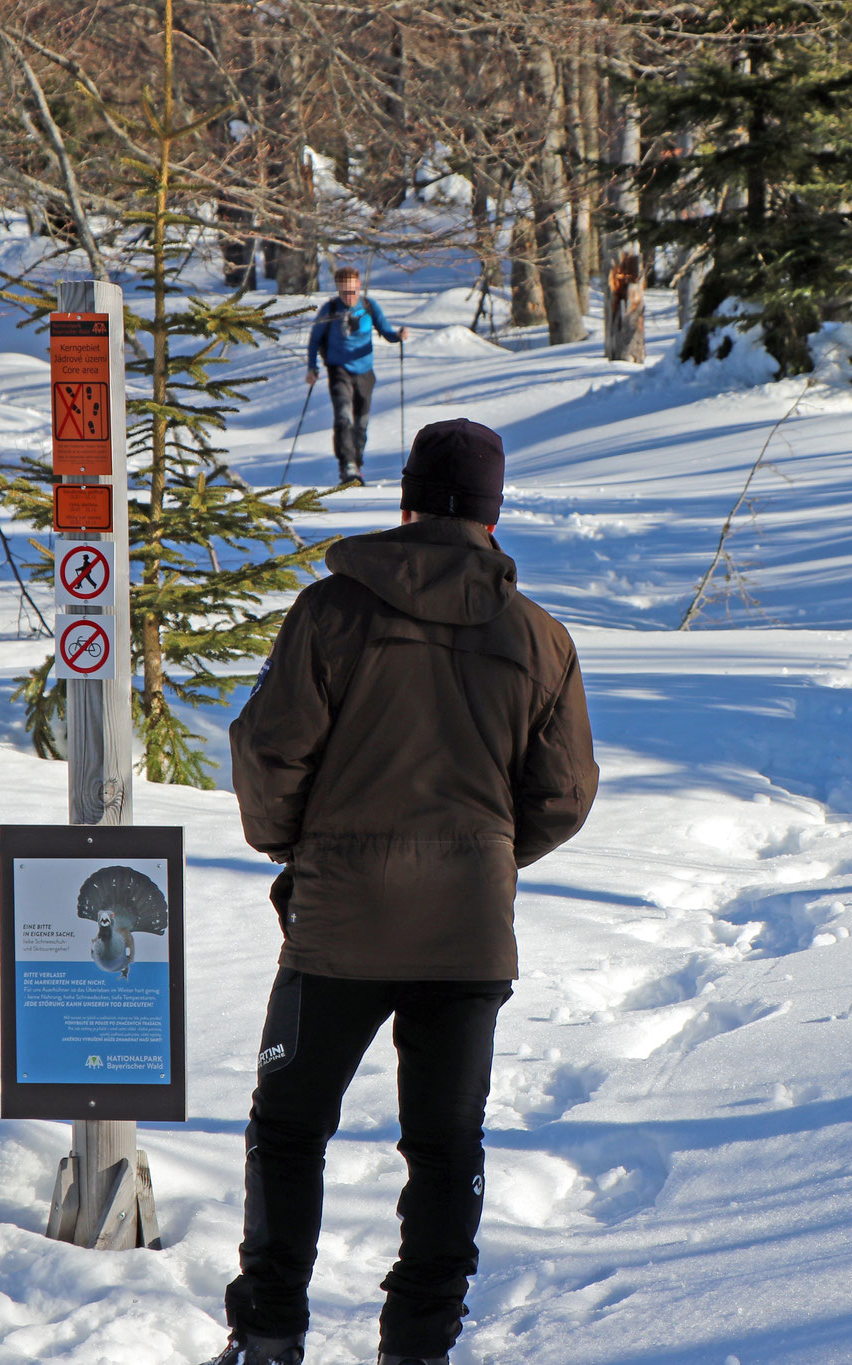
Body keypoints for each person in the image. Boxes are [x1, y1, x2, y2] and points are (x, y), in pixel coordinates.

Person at [211, 418, 599, 1365]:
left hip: (338, 922)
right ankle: (419, 1347)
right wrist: (487, 855)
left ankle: (268, 1337)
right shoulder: (542, 640)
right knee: (445, 1142)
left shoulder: (331, 613)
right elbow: (566, 792)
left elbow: (269, 753)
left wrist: (292, 850)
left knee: (290, 1127)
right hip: (466, 932)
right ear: (495, 519)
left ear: (406, 500)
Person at [307, 266, 405, 486]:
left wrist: (398, 336)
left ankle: (357, 463)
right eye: (344, 293)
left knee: (361, 422)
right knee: (343, 416)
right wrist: (312, 368)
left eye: (352, 292)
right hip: (338, 369)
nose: (349, 297)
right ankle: (347, 466)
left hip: (365, 372)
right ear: (338, 290)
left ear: (359, 287)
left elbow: (386, 332)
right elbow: (314, 340)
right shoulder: (330, 309)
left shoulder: (369, 306)